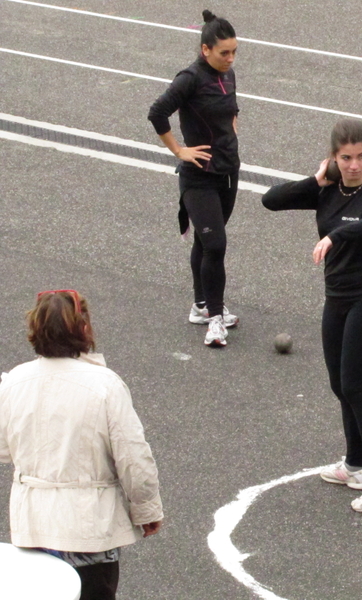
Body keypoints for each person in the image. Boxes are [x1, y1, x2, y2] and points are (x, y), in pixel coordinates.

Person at [262, 120, 362, 513]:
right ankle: (354, 464)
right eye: (346, 158)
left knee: (357, 385)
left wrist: (336, 235)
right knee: (340, 385)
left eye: (361, 157)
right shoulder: (328, 190)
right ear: (334, 158)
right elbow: (270, 200)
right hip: (336, 298)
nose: (355, 165)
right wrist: (315, 180)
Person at [0, 290, 163, 600]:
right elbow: (133, 457)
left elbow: (4, 449)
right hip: (90, 532)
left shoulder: (15, 382)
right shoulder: (105, 385)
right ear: (84, 328)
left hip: (33, 527)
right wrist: (146, 509)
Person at [148, 9, 240, 347]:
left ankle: (201, 305)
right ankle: (215, 319)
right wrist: (179, 150)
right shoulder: (189, 78)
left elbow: (231, 110)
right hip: (198, 177)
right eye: (223, 52)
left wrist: (230, 136)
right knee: (216, 244)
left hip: (228, 172)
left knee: (206, 242)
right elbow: (157, 112)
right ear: (205, 50)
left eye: (234, 51)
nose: (230, 58)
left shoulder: (227, 74)